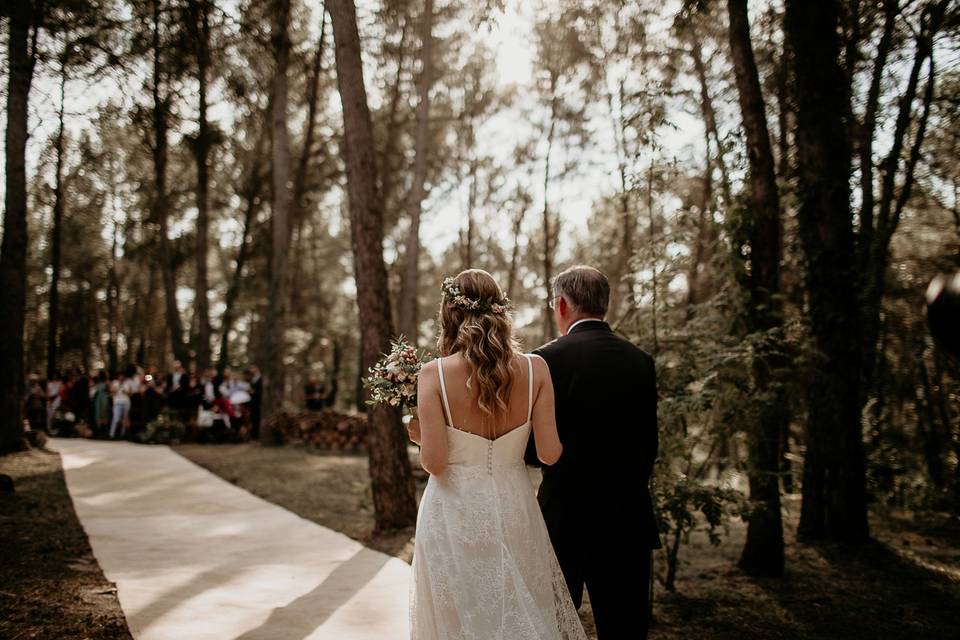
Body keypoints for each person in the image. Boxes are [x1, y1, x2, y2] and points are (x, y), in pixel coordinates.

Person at [406, 269, 586, 639]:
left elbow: (435, 463)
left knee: (457, 617)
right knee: (516, 609)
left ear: (449, 313)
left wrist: (421, 435)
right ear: (501, 309)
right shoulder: (537, 369)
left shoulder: (433, 374)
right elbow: (550, 454)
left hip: (452, 511)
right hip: (514, 506)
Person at [523, 265, 661, 639]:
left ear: (562, 305)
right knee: (625, 629)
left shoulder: (546, 360)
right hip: (627, 517)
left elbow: (533, 449)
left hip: (564, 517)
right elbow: (650, 445)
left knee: (551, 626)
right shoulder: (640, 361)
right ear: (605, 305)